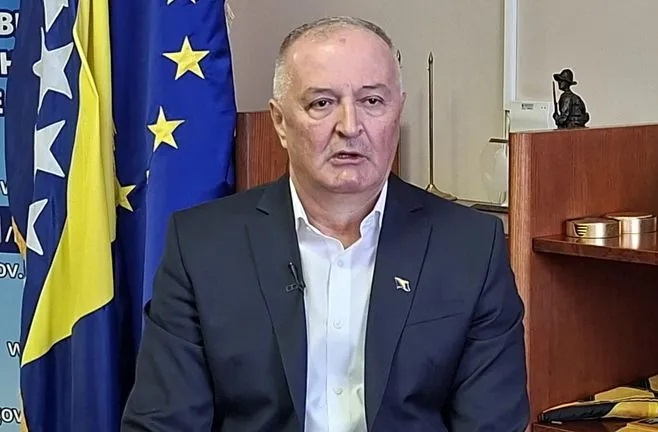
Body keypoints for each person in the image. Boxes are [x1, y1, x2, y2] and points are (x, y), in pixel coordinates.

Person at [121, 16, 529, 432]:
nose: (350, 127)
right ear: (280, 122)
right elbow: (161, 425)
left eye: (372, 101)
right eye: (322, 103)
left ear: (397, 111)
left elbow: (493, 424)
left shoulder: (470, 248)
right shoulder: (202, 247)